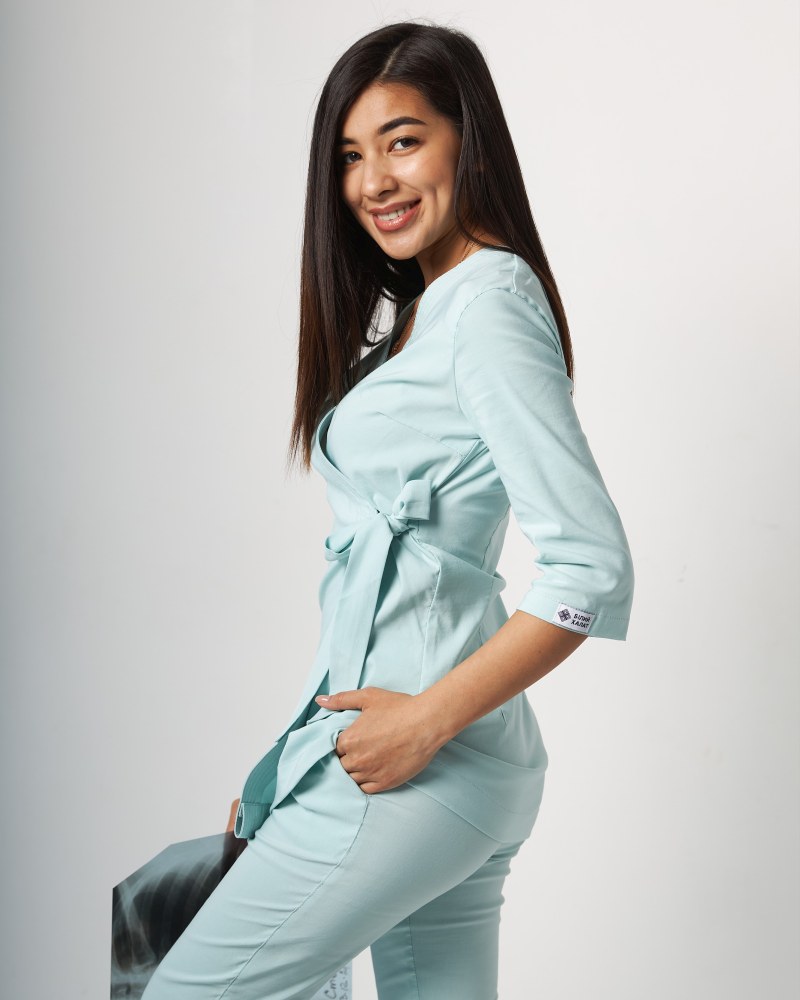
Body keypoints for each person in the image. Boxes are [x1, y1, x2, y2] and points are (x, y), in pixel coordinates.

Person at [142, 19, 634, 1000]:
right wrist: (293, 761)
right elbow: (387, 590)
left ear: (467, 140)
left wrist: (421, 726)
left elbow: (589, 566)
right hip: (433, 761)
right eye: (349, 156)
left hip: (417, 768)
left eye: (402, 141)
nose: (373, 181)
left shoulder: (485, 305)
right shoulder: (425, 311)